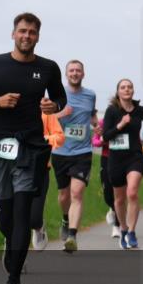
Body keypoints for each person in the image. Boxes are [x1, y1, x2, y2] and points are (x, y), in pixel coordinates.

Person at [0, 13, 67, 284]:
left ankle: (14, 280)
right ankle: (10, 242)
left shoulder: (48, 68)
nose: (27, 36)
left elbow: (61, 98)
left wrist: (52, 105)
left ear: (38, 36)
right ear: (13, 34)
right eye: (22, 31)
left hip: (31, 148)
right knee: (6, 216)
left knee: (23, 211)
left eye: (32, 32)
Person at [50, 60, 98, 253]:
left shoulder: (90, 95)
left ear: (83, 74)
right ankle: (65, 218)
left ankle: (72, 236)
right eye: (72, 70)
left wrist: (96, 124)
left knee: (76, 193)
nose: (75, 73)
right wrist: (62, 113)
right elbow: (45, 118)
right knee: (63, 196)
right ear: (66, 74)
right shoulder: (56, 94)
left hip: (83, 152)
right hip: (60, 151)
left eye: (78, 70)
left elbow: (91, 114)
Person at [102, 79, 143, 249]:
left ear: (133, 91)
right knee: (119, 199)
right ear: (118, 92)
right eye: (123, 87)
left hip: (135, 157)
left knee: (132, 193)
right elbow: (105, 136)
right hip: (116, 159)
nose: (127, 89)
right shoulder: (111, 111)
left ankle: (132, 232)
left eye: (129, 87)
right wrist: (120, 125)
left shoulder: (140, 110)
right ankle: (123, 229)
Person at [30, 110, 66, 251]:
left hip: (40, 169)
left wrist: (44, 139)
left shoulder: (46, 113)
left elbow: (60, 137)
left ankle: (38, 227)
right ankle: (14, 252)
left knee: (33, 219)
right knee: (13, 216)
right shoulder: (10, 108)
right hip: (13, 169)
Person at [95, 116, 121, 238]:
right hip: (106, 159)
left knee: (120, 194)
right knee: (108, 194)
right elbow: (95, 141)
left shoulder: (127, 120)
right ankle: (111, 207)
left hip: (122, 159)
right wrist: (103, 140)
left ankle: (116, 226)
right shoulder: (103, 122)